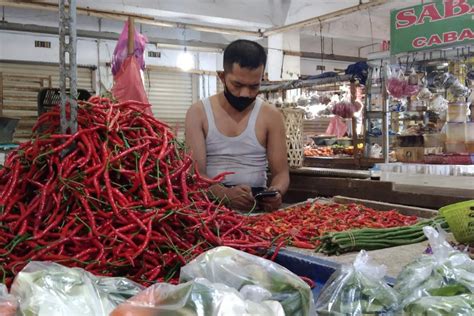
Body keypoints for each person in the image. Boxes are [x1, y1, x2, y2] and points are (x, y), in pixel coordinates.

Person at [185, 39, 289, 212]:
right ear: (222, 76)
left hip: (257, 205)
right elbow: (195, 175)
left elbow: (281, 173)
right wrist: (223, 194)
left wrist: (276, 192)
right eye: (237, 85)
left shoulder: (271, 116)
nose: (245, 94)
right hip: (210, 208)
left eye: (254, 86)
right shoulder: (198, 113)